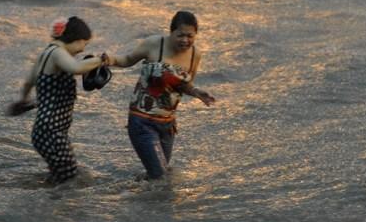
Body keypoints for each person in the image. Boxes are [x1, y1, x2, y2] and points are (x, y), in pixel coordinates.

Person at [110, 11, 216, 179]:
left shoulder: (195, 54)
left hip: (167, 126)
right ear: (171, 32)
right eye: (180, 35)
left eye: (190, 36)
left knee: (157, 176)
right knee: (161, 176)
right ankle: (125, 196)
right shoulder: (154, 44)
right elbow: (127, 60)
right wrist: (110, 60)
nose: (185, 40)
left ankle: (131, 195)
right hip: (142, 122)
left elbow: (184, 85)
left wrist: (196, 92)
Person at [13, 16, 108, 184]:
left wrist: (23, 101)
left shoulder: (46, 54)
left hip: (44, 132)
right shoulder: (57, 53)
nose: (82, 50)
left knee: (59, 177)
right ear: (77, 39)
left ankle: (46, 199)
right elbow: (76, 68)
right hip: (52, 132)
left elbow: (29, 82)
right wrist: (102, 59)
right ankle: (54, 207)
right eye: (84, 44)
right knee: (70, 179)